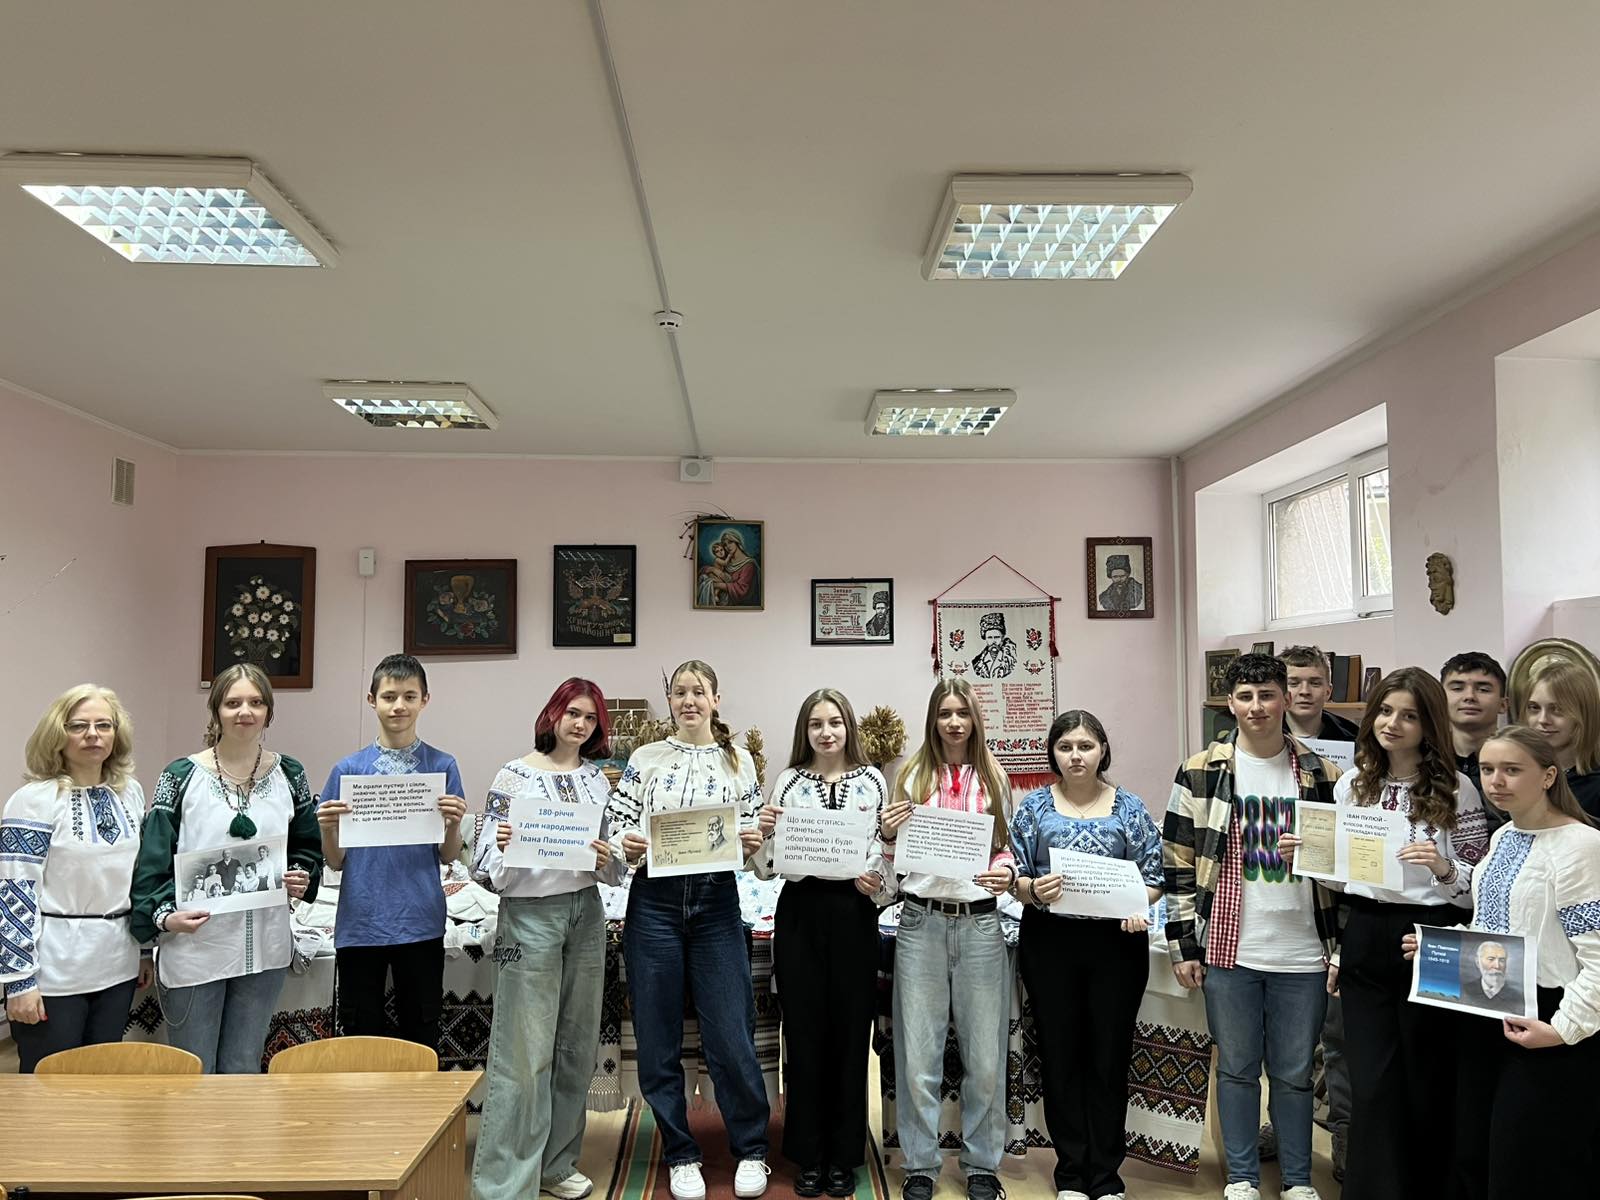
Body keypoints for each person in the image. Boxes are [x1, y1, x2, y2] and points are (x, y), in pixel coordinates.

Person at [1280, 667, 1487, 1200]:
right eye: (1387, 711)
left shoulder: (1457, 787)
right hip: (1366, 932)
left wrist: (1441, 866)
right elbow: (1345, 879)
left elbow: (1476, 889)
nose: (1393, 723)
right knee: (1371, 1082)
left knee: (1426, 1076)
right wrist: (1308, 857)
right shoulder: (1353, 783)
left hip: (1433, 934)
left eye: (1409, 716)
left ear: (1429, 725)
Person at [1162, 652, 1340, 1200]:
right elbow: (1177, 862)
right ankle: (1241, 1177)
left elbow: (1346, 868)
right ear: (1230, 703)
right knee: (1237, 1070)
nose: (1257, 707)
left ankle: (1297, 1180)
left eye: (1267, 695)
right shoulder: (1200, 770)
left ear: (1285, 699)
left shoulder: (1324, 772)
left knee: (1293, 1074)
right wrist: (1183, 946)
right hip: (1229, 948)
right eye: (1245, 697)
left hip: (1304, 949)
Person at [1406, 726, 1600, 1198]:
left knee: (1528, 1162)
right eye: (1488, 769)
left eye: (1512, 770)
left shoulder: (1581, 845)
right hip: (1488, 1008)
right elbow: (1495, 926)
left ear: (1548, 776)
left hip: (1550, 1017)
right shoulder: (1506, 835)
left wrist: (1564, 1028)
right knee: (1475, 1150)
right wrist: (1441, 945)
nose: (1496, 781)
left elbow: (1598, 954)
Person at [605, 659, 770, 1200]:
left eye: (699, 691)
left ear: (716, 699)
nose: (689, 700)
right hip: (654, 901)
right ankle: (680, 1152)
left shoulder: (739, 759)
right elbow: (618, 824)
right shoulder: (646, 758)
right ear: (670, 702)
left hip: (716, 902)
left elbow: (754, 837)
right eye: (680, 692)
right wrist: (627, 842)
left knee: (730, 1031)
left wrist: (753, 841)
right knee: (657, 1036)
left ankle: (751, 1148)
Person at [471, 678, 625, 1200]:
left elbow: (613, 865)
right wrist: (503, 845)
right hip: (530, 915)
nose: (580, 724)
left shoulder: (597, 780)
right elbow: (482, 864)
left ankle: (556, 1165)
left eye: (590, 718)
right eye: (572, 713)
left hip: (586, 913)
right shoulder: (514, 776)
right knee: (524, 1053)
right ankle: (504, 1183)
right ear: (553, 714)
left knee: (576, 1046)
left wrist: (607, 857)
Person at [130, 663, 323, 1073]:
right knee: (195, 1069)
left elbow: (307, 846)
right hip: (197, 945)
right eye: (233, 703)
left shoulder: (290, 774)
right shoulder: (180, 777)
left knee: (242, 1066)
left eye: (256, 702)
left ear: (269, 711)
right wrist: (163, 916)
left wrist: (300, 874)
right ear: (216, 710)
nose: (245, 712)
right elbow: (152, 861)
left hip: (264, 947)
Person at [1009, 710, 1162, 1200]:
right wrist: (1033, 888)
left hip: (1116, 945)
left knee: (1109, 1057)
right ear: (1053, 753)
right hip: (1050, 942)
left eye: (1085, 746)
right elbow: (1014, 875)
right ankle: (1072, 1173)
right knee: (1060, 1055)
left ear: (1102, 751)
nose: (1075, 756)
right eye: (1065, 747)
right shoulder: (1033, 808)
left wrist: (1138, 905)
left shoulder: (1129, 808)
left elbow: (1154, 877)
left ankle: (1106, 1174)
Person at [753, 688, 892, 1199]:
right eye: (816, 724)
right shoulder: (788, 781)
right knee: (804, 1032)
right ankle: (808, 1153)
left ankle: (844, 1153)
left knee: (850, 1034)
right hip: (801, 913)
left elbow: (884, 852)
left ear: (848, 727)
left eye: (835, 722)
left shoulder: (872, 779)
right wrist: (764, 832)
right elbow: (767, 866)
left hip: (854, 913)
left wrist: (877, 881)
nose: (826, 732)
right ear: (804, 731)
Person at [880, 677, 1015, 1200]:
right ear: (932, 719)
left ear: (975, 719)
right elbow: (892, 861)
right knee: (919, 1055)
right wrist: (888, 834)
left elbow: (1004, 848)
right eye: (945, 713)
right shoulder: (911, 775)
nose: (954, 722)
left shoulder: (994, 777)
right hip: (922, 922)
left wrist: (1005, 871)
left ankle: (982, 1164)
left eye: (962, 713)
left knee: (985, 1057)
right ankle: (920, 1163)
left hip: (980, 923)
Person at [315, 654, 467, 1050]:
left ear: (425, 700)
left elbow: (449, 855)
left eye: (409, 696)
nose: (399, 706)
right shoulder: (348, 770)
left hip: (420, 918)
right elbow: (335, 861)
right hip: (361, 920)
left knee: (421, 1036)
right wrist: (327, 829)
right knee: (361, 1039)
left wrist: (453, 823)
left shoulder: (442, 766)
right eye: (389, 697)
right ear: (372, 701)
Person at [2, 684, 152, 1072]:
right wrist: (19, 981)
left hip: (117, 963)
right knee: (49, 1080)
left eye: (104, 725)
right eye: (79, 726)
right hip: (55, 969)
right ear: (58, 733)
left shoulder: (129, 794)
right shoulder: (34, 800)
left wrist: (144, 949)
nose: (92, 735)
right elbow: (15, 890)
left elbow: (137, 878)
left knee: (101, 1079)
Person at [1521, 659, 1600, 817]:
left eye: (1557, 709)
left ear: (1584, 713)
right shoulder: (1520, 775)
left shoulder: (1595, 786)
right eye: (1534, 708)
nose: (1543, 720)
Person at [1441, 651, 1508, 825]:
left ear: (1503, 704)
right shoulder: (1424, 760)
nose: (1469, 696)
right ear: (1439, 699)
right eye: (1457, 688)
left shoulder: (1521, 763)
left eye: (1483, 689)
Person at [1279, 646, 1359, 741]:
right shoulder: (1264, 732)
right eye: (1293, 683)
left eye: (1315, 683)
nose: (1305, 691)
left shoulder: (1355, 737)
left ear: (1328, 692)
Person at [1468, 940, 1522, 1012]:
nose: (1497, 966)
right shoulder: (1465, 990)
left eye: (1502, 960)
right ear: (1478, 962)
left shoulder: (1517, 996)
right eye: (1491, 959)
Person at [969, 612, 1018, 679]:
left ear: (1002, 637)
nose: (993, 641)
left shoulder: (1012, 659)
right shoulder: (977, 663)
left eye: (997, 637)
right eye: (990, 637)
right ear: (985, 638)